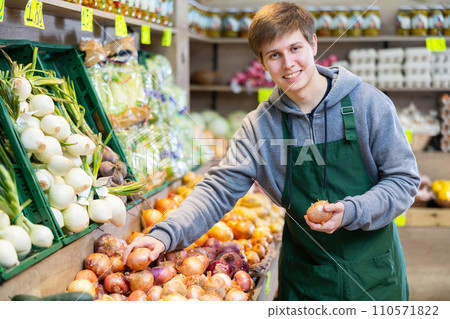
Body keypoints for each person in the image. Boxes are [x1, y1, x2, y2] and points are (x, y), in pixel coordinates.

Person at [123, 2, 420, 301]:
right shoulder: (260, 126)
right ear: (262, 63)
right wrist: (164, 234)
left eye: (295, 48)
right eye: (274, 55)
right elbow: (218, 188)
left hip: (374, 277)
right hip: (306, 279)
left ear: (313, 44)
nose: (288, 64)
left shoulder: (368, 104)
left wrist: (353, 210)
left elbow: (404, 181)